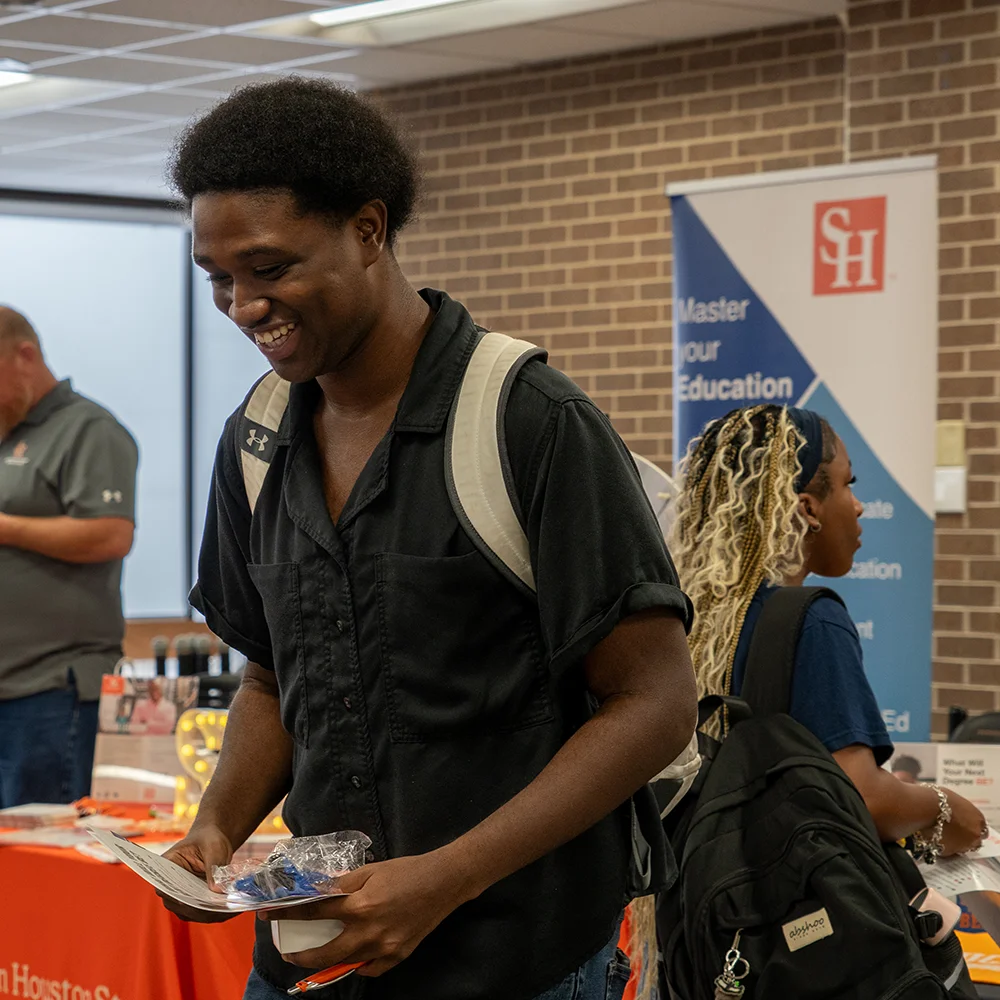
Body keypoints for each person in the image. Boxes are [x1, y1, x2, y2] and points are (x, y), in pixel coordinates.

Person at [160, 78, 697, 1000]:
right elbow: (271, 679)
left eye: (270, 268)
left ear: (369, 229)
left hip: (513, 961)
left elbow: (653, 704)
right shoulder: (256, 438)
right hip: (316, 958)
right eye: (219, 278)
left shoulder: (530, 421)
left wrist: (444, 879)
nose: (243, 305)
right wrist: (214, 830)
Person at [670, 403, 985, 859]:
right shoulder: (813, 620)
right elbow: (864, 799)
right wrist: (943, 807)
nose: (857, 505)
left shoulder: (691, 619)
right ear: (808, 507)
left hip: (700, 888)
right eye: (847, 484)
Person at [0, 307, 137, 807]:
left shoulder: (88, 429)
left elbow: (110, 535)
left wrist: (5, 527)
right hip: (9, 689)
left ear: (25, 356)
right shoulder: (7, 431)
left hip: (51, 693)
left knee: (43, 847)